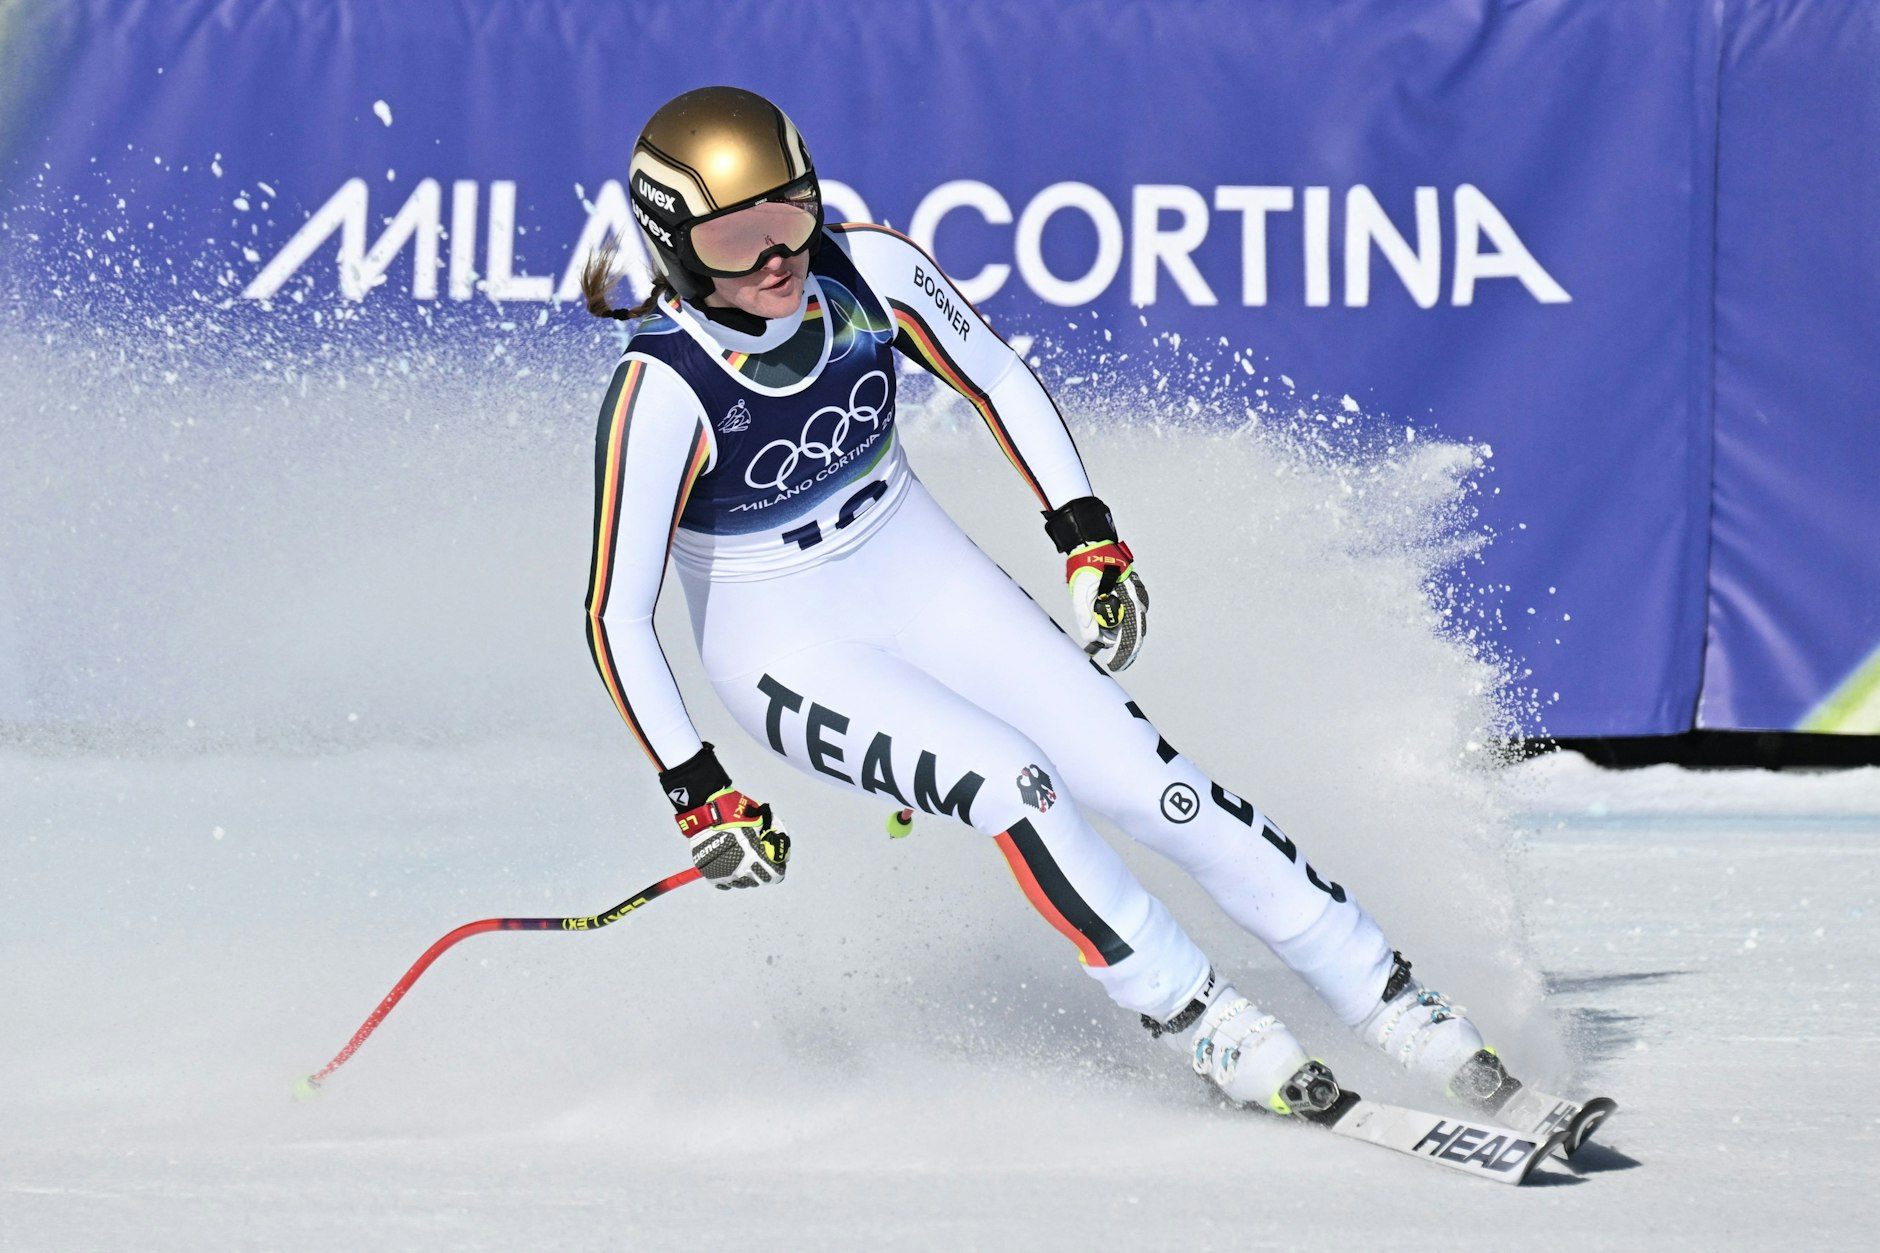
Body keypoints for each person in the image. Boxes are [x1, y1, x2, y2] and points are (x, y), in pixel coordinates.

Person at [579, 85, 1522, 1119]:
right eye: (736, 238)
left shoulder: (869, 270)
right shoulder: (661, 389)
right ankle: (1200, 1017)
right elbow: (615, 614)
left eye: (790, 213)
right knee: (1010, 781)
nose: (776, 256)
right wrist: (698, 787)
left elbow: (996, 378)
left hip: (917, 569)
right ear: (675, 249)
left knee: (1149, 780)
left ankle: (1389, 995)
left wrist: (1085, 533)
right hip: (785, 643)